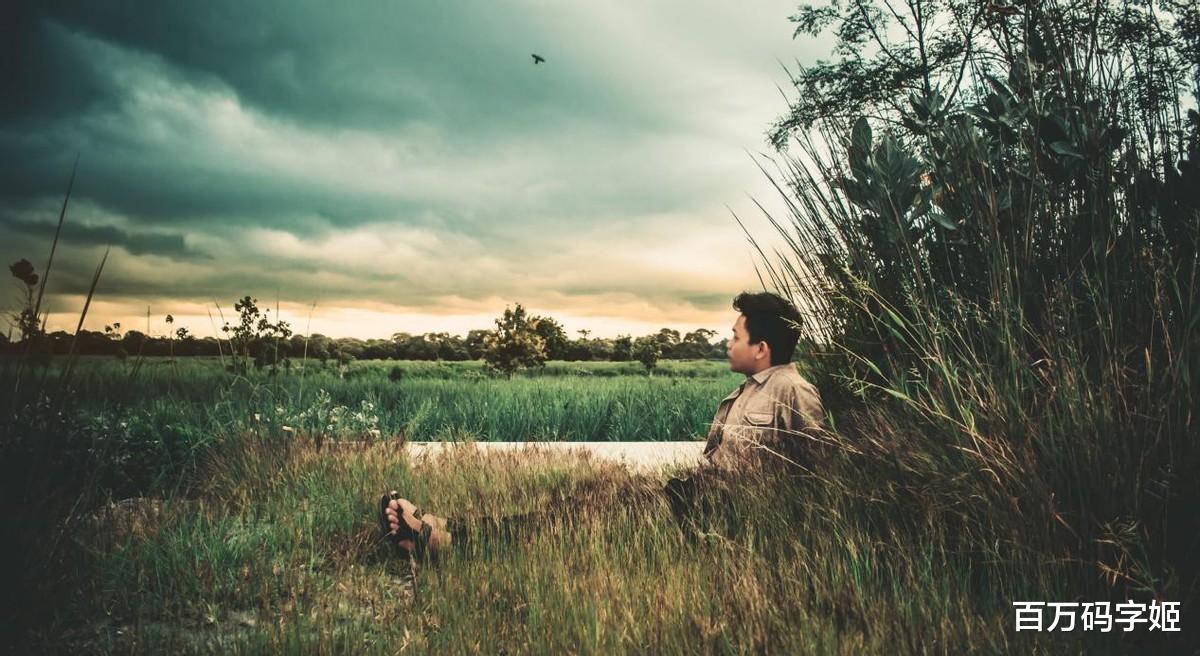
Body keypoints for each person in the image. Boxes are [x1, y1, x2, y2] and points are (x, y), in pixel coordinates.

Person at [379, 291, 825, 561]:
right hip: (687, 497)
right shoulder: (747, 389)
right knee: (578, 504)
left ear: (761, 347)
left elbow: (817, 481)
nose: (728, 343)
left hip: (707, 514)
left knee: (580, 519)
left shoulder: (793, 392)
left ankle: (446, 541)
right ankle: (445, 528)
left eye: (735, 336)